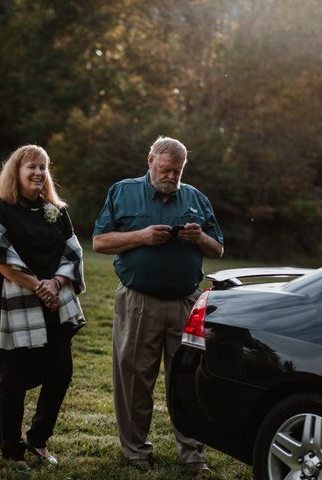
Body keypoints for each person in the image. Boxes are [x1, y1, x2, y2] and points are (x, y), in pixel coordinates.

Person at [92, 136, 224, 474]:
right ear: (150, 159)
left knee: (188, 380)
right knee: (135, 378)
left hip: (186, 302)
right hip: (139, 301)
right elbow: (100, 241)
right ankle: (136, 451)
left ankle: (193, 455)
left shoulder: (196, 198)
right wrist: (141, 236)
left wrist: (200, 238)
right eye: (165, 169)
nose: (170, 176)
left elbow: (217, 249)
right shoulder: (123, 192)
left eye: (177, 171)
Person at [0, 145, 85, 469]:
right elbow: (0, 258)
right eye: (32, 167)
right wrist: (37, 286)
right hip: (17, 304)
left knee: (61, 374)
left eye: (43, 167)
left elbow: (73, 252)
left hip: (54, 301)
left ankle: (38, 439)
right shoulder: (1, 210)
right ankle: (11, 450)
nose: (39, 173)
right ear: (17, 171)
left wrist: (54, 283)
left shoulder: (55, 210)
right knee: (14, 379)